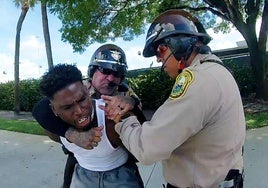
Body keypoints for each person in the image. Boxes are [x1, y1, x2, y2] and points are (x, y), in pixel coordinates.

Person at [102, 9, 246, 188]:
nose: (159, 59)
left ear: (178, 45)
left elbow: (147, 147)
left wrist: (122, 118)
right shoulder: (216, 70)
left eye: (160, 51)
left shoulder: (197, 81)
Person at [32, 44, 146, 188]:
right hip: (81, 160)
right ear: (92, 71)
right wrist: (71, 134)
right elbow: (41, 109)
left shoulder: (124, 92)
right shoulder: (76, 85)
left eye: (117, 74)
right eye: (105, 70)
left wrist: (131, 102)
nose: (110, 78)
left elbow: (140, 125)